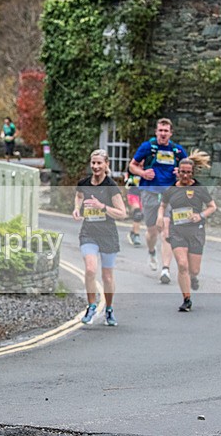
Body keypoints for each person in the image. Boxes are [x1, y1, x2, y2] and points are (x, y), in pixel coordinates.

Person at [128, 118, 187, 284]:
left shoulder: (177, 150)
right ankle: (152, 251)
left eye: (166, 131)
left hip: (170, 194)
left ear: (171, 133)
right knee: (152, 231)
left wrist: (180, 173)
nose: (163, 133)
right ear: (156, 132)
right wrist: (143, 173)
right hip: (149, 192)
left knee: (167, 230)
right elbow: (132, 166)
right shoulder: (148, 147)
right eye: (160, 130)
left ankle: (166, 269)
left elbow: (188, 171)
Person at [72, 149, 127, 326]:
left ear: (106, 165)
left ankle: (109, 309)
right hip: (88, 233)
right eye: (93, 163)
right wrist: (76, 208)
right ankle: (91, 306)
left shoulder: (111, 187)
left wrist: (101, 206)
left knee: (107, 277)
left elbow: (122, 213)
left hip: (108, 235)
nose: (95, 166)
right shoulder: (84, 183)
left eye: (99, 163)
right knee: (90, 269)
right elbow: (79, 195)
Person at [156, 151, 216, 312]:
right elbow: (162, 205)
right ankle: (186, 299)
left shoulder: (199, 188)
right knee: (182, 265)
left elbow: (212, 207)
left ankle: (194, 277)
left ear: (192, 173)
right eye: (182, 172)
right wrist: (160, 217)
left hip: (196, 232)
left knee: (193, 270)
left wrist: (200, 215)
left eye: (188, 172)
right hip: (177, 232)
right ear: (178, 171)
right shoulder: (171, 189)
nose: (185, 175)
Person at [123, 169, 143, 247]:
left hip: (143, 195)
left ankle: (133, 232)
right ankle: (136, 235)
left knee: (140, 215)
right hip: (133, 194)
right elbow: (126, 184)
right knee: (137, 213)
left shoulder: (148, 169)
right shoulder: (132, 170)